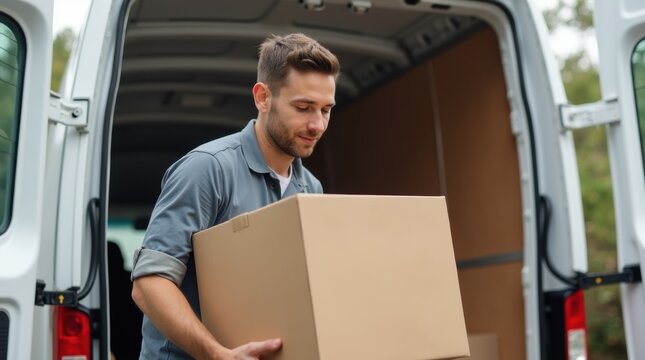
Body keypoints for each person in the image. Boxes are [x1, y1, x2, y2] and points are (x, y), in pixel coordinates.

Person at [130, 33, 340, 360]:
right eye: (303, 107)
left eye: (326, 110)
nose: (317, 124)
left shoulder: (311, 189)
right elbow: (148, 285)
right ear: (262, 97)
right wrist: (216, 354)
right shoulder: (207, 169)